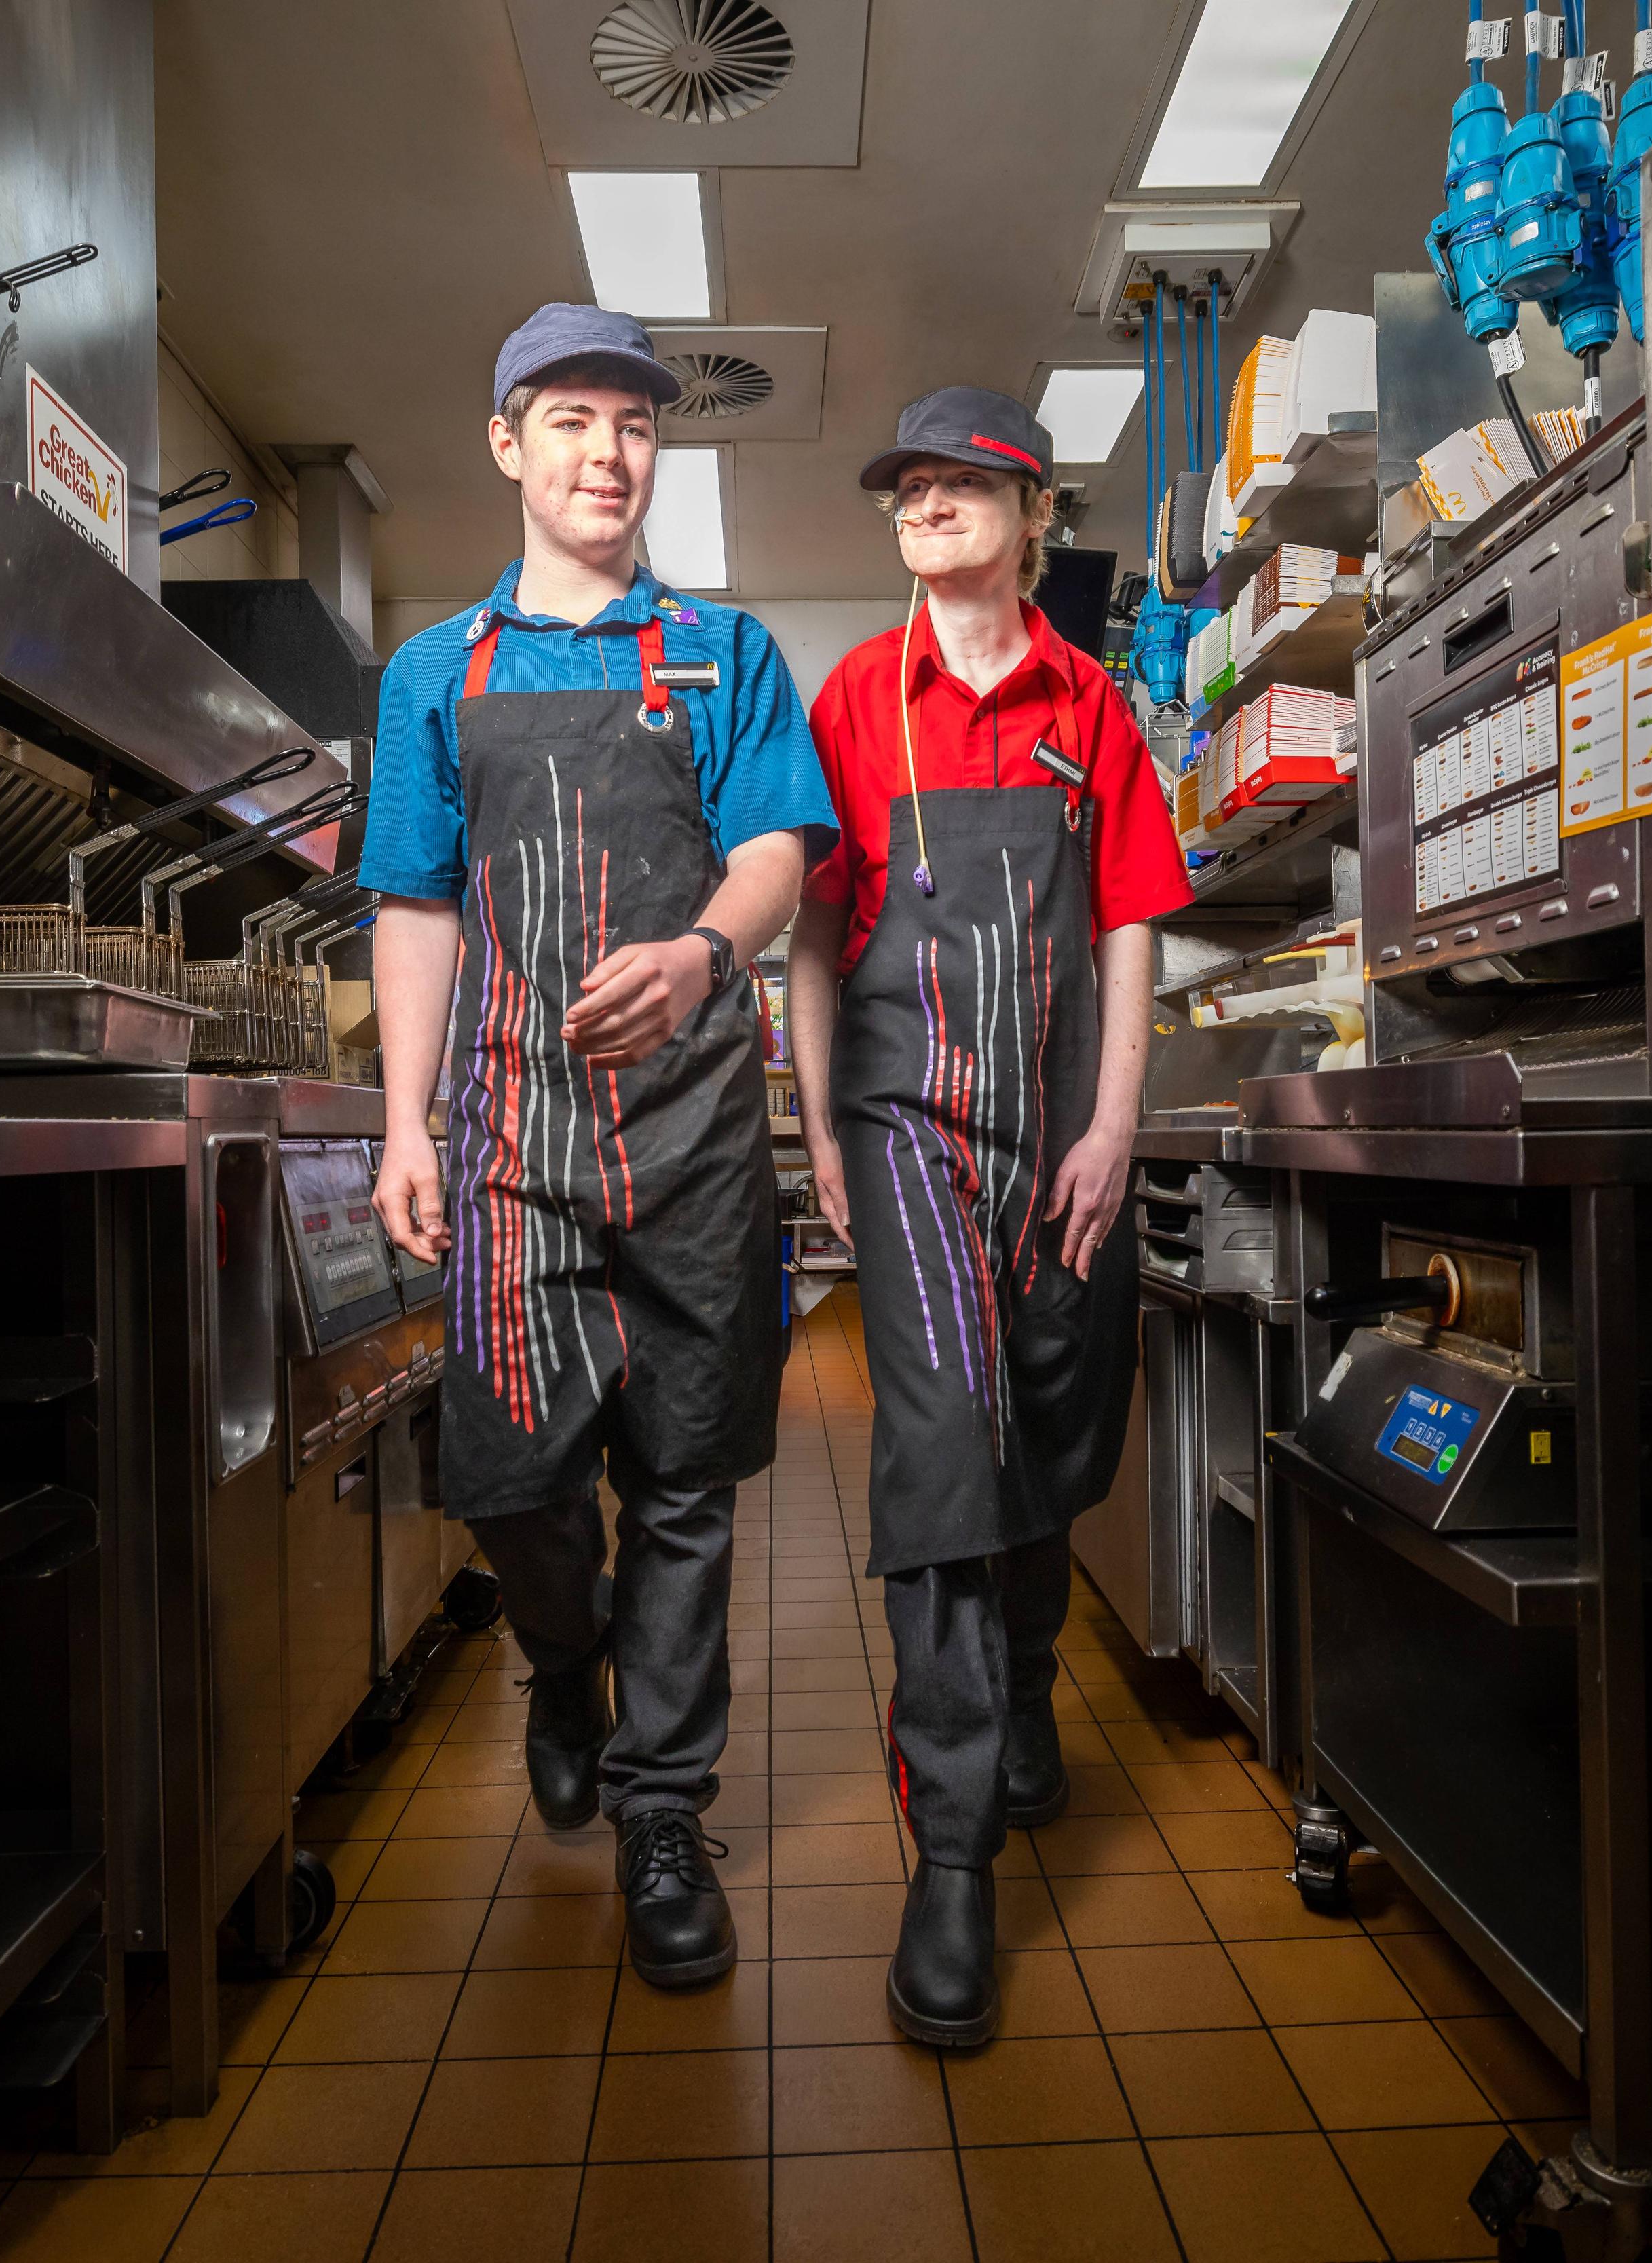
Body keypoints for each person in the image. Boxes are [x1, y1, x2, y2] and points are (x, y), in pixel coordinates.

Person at [364, 303, 834, 1988]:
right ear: (507, 444)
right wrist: (402, 1117)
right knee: (520, 1474)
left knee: (688, 1485)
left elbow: (779, 848)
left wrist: (705, 949)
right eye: (568, 419)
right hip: (507, 1139)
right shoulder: (440, 671)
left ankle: (658, 1804)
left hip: (699, 1137)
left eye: (632, 424)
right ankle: (564, 1661)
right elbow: (413, 908)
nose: (604, 453)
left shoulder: (722, 650)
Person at [785, 386, 1190, 2045]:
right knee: (947, 1441)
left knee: (1048, 1413)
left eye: (969, 483)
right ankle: (949, 1854)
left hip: (1057, 1121)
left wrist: (1112, 1123)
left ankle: (1026, 1678)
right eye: (912, 485)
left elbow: (1128, 928)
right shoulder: (848, 700)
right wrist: (815, 1122)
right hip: (900, 1119)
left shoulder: (1090, 706)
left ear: (1035, 515)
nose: (932, 503)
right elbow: (813, 936)